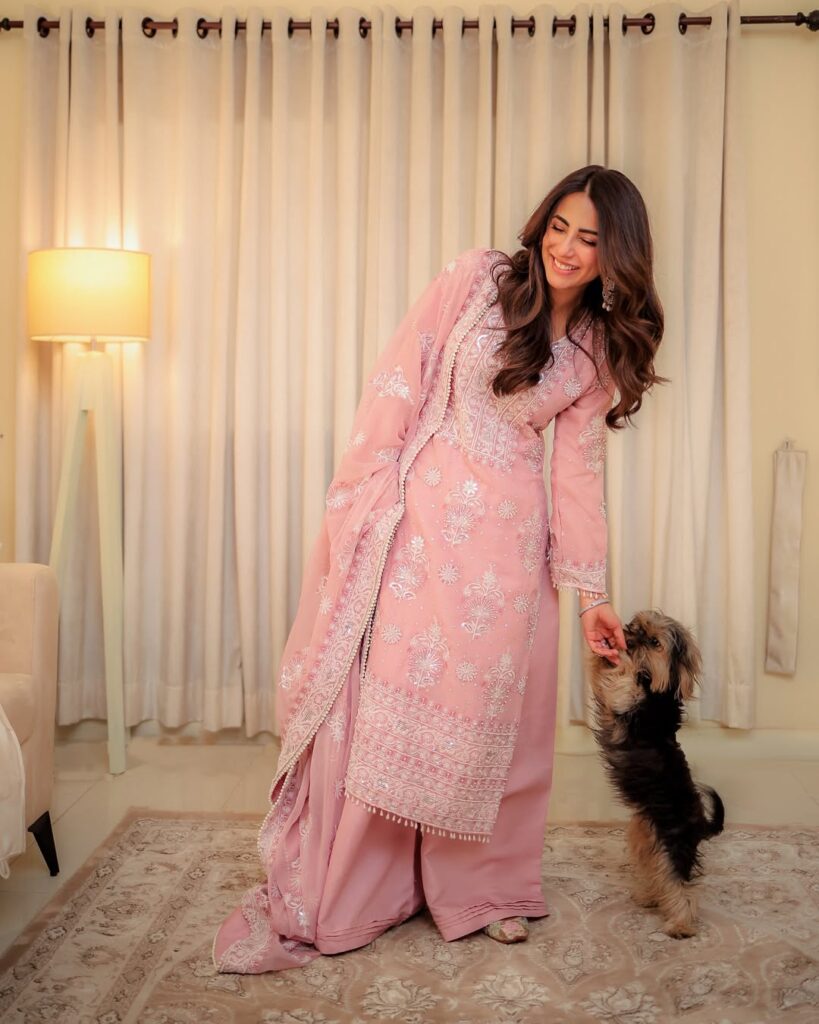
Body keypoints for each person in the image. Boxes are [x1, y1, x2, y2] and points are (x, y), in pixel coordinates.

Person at [213, 164, 664, 973]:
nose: (565, 248)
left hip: (507, 552)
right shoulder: (478, 280)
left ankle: (482, 890)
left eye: (589, 239)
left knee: (490, 726)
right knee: (392, 711)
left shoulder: (594, 349)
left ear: (615, 256)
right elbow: (399, 378)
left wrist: (590, 595)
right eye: (558, 227)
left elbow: (576, 473)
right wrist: (365, 494)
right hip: (416, 527)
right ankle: (368, 889)